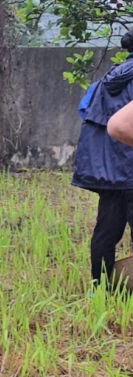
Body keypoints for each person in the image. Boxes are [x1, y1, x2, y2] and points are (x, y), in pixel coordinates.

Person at [73, 32, 133, 287]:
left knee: (106, 232)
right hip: (130, 168)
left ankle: (98, 289)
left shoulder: (103, 81)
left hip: (107, 172)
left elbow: (84, 111)